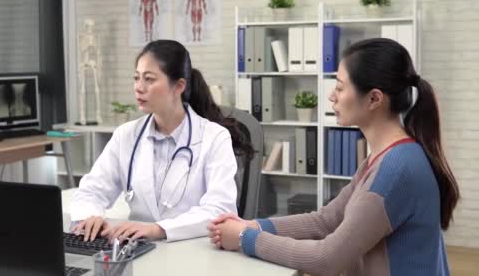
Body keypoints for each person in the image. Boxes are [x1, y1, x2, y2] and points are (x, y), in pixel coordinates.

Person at [208, 38, 460, 275]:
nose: (331, 96)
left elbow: (327, 259)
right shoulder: (387, 157)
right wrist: (253, 225)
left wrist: (244, 238)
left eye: (340, 87)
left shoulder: (396, 170)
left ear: (374, 99)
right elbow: (326, 220)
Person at [69, 40, 253, 243]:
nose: (139, 88)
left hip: (193, 250)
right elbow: (91, 191)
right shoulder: (126, 135)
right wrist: (90, 217)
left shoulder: (214, 137)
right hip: (135, 248)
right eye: (136, 78)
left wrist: (158, 229)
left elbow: (220, 209)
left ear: (179, 86)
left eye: (149, 79)